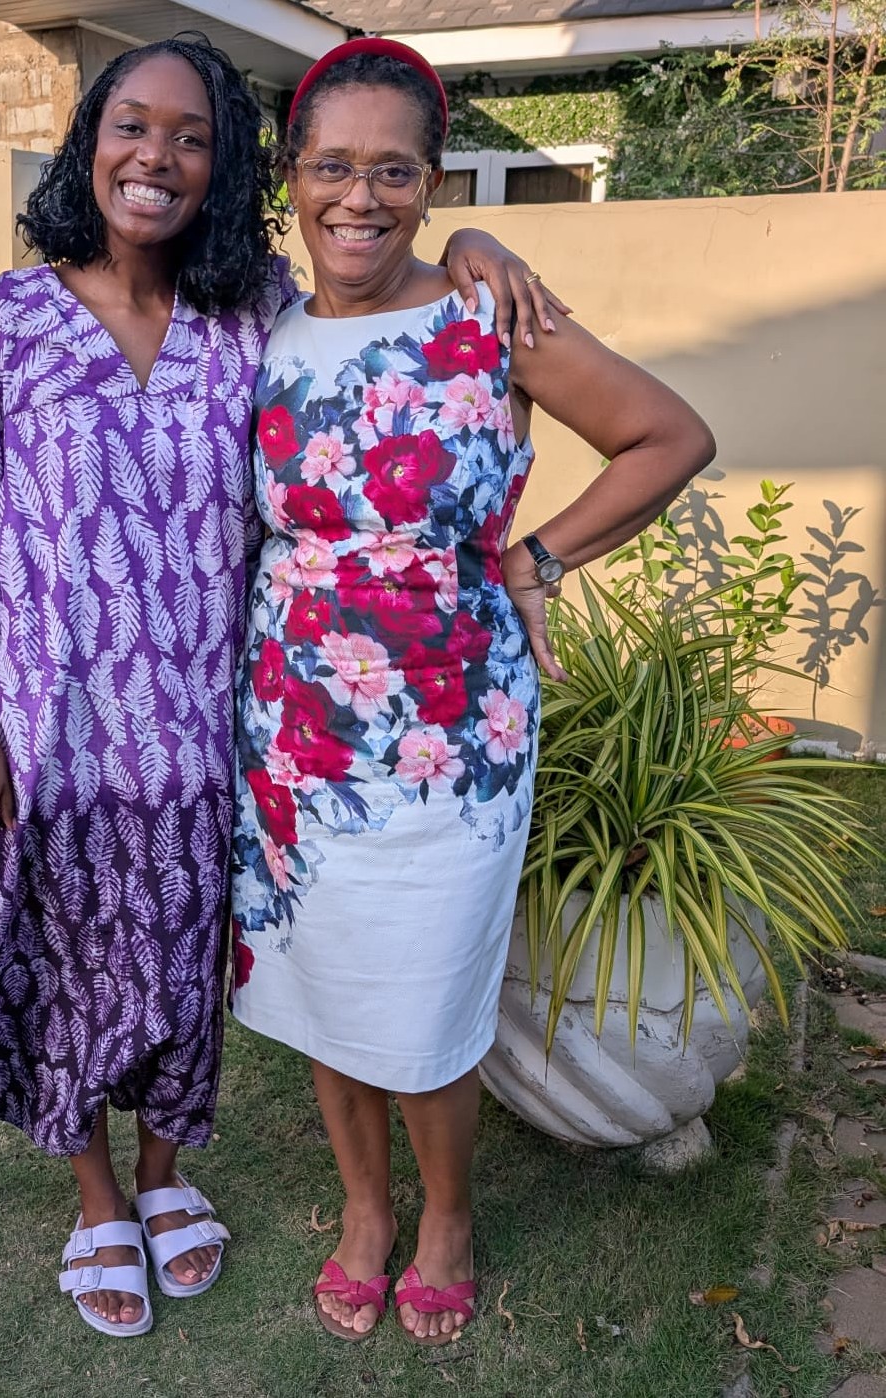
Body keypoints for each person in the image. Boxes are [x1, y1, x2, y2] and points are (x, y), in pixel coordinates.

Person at [0, 35, 560, 1340]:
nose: (159, 157)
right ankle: (93, 1202)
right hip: (42, 723)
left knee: (180, 969)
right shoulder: (16, 317)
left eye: (192, 137)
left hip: (206, 732)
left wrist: (480, 250)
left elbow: (382, 261)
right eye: (134, 126)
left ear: (224, 168)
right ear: (92, 142)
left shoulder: (249, 320)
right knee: (67, 962)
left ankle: (165, 1174)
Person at [230, 36, 716, 1348]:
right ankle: (366, 1206)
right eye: (332, 165)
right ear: (291, 174)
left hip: (456, 734)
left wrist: (536, 552)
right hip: (293, 738)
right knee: (330, 981)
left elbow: (668, 433)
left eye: (395, 170)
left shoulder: (484, 315)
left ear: (436, 184)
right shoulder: (257, 333)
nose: (360, 196)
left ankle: (444, 1215)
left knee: (431, 991)